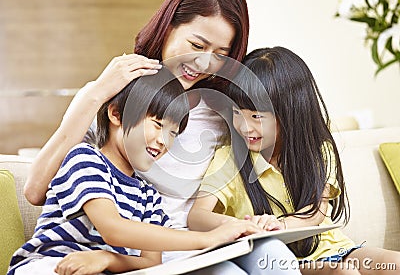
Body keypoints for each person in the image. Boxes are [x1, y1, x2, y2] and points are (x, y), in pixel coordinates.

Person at [23, 0, 300, 273]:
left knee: (274, 255)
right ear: (168, 26)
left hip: (196, 247)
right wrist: (95, 94)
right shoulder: (117, 96)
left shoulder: (223, 110)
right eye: (196, 44)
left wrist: (248, 223)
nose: (204, 63)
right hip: (142, 255)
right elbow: (36, 191)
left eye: (221, 54)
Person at [8, 69, 263, 275]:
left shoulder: (147, 194)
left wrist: (106, 258)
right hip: (50, 263)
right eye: (157, 124)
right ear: (116, 115)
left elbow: (151, 262)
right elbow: (112, 228)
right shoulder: (85, 158)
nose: (164, 141)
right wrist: (208, 239)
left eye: (173, 133)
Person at [188, 46, 400, 274]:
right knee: (344, 273)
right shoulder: (230, 159)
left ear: (290, 111)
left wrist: (280, 225)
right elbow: (197, 216)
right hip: (283, 263)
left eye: (257, 116)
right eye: (237, 113)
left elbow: (316, 211)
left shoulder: (318, 150)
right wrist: (238, 226)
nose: (245, 126)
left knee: (394, 263)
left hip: (336, 248)